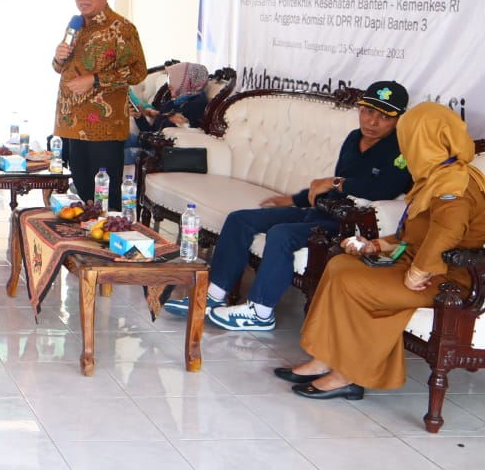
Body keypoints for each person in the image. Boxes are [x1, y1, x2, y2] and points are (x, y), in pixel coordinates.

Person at [280, 102, 485, 401]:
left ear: (424, 140)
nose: (405, 145)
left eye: (409, 137)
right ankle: (325, 358)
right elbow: (415, 233)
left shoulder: (455, 183)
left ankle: (348, 376)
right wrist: (376, 245)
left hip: (448, 279)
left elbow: (446, 233)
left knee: (352, 282)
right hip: (425, 265)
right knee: (339, 266)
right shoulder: (437, 175)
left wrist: (417, 271)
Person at [173, 82, 416, 331]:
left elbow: (382, 189)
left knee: (282, 234)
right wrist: (296, 199)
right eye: (368, 111)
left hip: (349, 223)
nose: (372, 122)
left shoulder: (402, 148)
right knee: (240, 219)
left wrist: (335, 183)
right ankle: (212, 297)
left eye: (384, 117)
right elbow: (330, 188)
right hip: (322, 210)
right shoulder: (355, 138)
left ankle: (260, 312)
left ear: (399, 119)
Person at [50, 0, 147, 204]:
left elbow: (138, 71)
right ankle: (83, 241)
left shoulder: (121, 29)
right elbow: (60, 68)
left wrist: (94, 81)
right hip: (70, 123)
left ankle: (110, 239)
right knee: (82, 194)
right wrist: (58, 57)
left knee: (106, 197)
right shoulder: (76, 25)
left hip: (103, 128)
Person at [124, 61, 211, 163]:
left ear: (186, 80)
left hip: (162, 152)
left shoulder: (198, 103)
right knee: (112, 141)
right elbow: (151, 131)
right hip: (149, 142)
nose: (169, 85)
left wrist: (182, 123)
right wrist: (139, 116)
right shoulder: (174, 102)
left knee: (117, 154)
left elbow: (192, 135)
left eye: (173, 79)